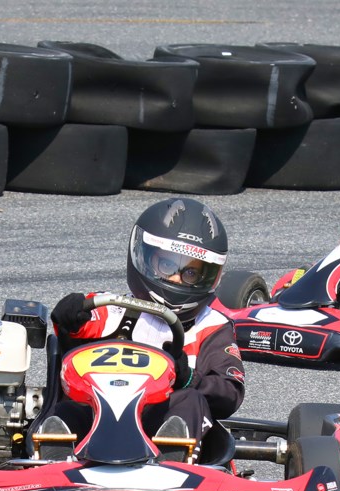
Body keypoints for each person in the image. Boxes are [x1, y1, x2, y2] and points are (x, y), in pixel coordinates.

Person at [43, 197, 246, 462]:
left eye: (191, 273)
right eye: (167, 265)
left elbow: (229, 392)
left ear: (210, 275)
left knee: (191, 401)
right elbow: (77, 331)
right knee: (70, 409)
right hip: (96, 416)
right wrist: (68, 318)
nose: (176, 278)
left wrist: (188, 379)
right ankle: (53, 455)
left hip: (159, 421)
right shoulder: (109, 307)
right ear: (143, 256)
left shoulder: (212, 327)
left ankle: (174, 455)